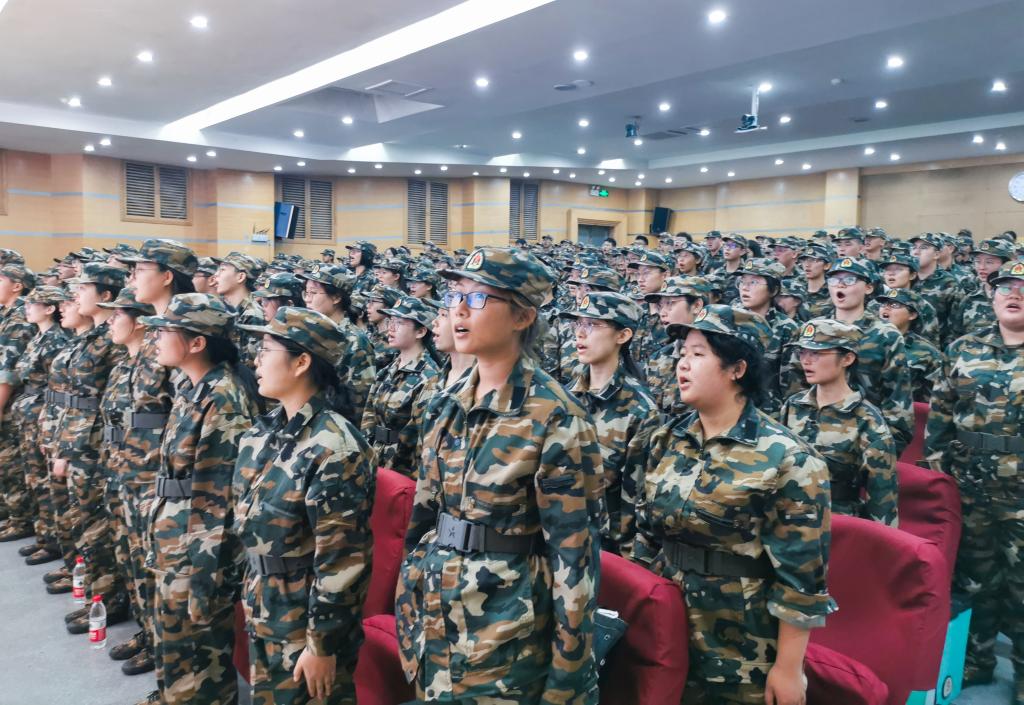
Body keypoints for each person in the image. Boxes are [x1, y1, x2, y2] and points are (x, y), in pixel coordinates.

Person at [396, 246, 603, 704]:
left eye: (478, 299)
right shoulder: (444, 403)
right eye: (455, 297)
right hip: (434, 620)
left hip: (504, 638)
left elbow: (574, 558)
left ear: (522, 317)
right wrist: (409, 597)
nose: (459, 310)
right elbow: (422, 520)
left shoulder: (556, 418)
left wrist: (568, 677)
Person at [633, 304, 834, 704]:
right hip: (664, 625)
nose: (682, 364)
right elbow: (645, 535)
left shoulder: (788, 458)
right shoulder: (666, 438)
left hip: (741, 644)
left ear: (737, 369)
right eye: (682, 354)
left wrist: (788, 668)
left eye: (698, 354)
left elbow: (801, 579)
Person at [234, 307, 374, 705]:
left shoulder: (334, 448)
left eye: (265, 350)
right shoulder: (264, 431)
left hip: (303, 624)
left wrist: (321, 646)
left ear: (301, 362)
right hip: (265, 605)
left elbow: (342, 561)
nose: (255, 361)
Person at [138, 293, 260, 705]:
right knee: (175, 642)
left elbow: (218, 498)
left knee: (196, 652)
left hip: (197, 550)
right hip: (175, 538)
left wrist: (204, 577)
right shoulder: (193, 386)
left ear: (197, 342)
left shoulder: (222, 398)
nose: (156, 339)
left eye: (166, 332)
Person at [925, 260, 1024, 705]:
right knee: (973, 580)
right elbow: (940, 417)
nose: (1013, 294)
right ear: (992, 295)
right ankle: (974, 660)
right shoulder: (964, 348)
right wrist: (940, 477)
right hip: (971, 490)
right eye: (1005, 287)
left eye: (1022, 287)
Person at [53, 263, 131, 635]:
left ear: (106, 295)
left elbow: (110, 403)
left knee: (99, 528)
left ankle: (108, 601)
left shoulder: (111, 341)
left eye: (84, 289)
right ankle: (95, 594)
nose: (76, 295)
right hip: (80, 441)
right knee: (86, 524)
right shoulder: (89, 336)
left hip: (98, 447)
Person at [562, 291, 659, 555]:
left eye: (592, 325)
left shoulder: (639, 411)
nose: (580, 333)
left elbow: (636, 503)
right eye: (578, 324)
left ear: (623, 335)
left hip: (603, 551)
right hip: (555, 539)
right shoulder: (564, 397)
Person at [782, 319, 898, 525]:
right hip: (786, 517)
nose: (805, 360)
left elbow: (882, 499)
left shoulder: (867, 419)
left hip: (836, 521)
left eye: (816, 353)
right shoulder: (794, 405)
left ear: (847, 358)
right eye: (802, 352)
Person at [817, 258, 914, 454]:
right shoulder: (815, 329)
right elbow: (796, 389)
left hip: (864, 438)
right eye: (834, 280)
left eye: (849, 280)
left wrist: (886, 449)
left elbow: (897, 399)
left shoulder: (885, 334)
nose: (840, 285)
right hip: (816, 434)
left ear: (868, 288)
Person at [38, 290, 95, 595]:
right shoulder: (77, 341)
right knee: (66, 508)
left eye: (71, 301)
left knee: (84, 515)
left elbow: (89, 404)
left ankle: (87, 576)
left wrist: (67, 448)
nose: (64, 308)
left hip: (84, 442)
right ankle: (74, 564)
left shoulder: (101, 344)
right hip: (63, 430)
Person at [10, 285, 69, 564]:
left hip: (42, 414)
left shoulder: (57, 340)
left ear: (49, 309)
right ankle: (42, 534)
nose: (27, 308)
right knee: (33, 477)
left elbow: (55, 385)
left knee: (45, 481)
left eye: (33, 304)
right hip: (29, 413)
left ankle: (52, 541)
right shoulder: (38, 337)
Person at [360, 296, 439, 476]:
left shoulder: (429, 377)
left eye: (400, 323)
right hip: (375, 459)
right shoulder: (387, 371)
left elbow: (422, 438)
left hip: (402, 467)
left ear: (420, 332)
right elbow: (369, 418)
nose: (391, 328)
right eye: (391, 321)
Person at [298, 264, 376, 426]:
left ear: (336, 298)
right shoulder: (309, 331)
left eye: (313, 293)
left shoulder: (354, 341)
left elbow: (360, 402)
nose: (307, 299)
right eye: (306, 292)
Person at [0, 263, 39, 543]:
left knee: (10, 461)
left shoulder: (19, 318)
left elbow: (8, 371)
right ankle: (10, 511)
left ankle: (20, 519)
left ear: (17, 285)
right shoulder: (7, 313)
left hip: (11, 401)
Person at [734, 258, 800, 413]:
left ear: (774, 290)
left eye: (754, 282)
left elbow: (792, 386)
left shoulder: (787, 328)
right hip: (728, 408)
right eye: (742, 282)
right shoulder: (728, 320)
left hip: (766, 413)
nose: (745, 288)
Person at [644, 276, 710, 414]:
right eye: (660, 306)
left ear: (696, 306)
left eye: (670, 303)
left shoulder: (715, 358)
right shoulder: (658, 358)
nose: (662, 313)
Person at [876, 288, 942, 402]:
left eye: (895, 305)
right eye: (884, 304)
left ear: (912, 315)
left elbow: (939, 394)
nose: (886, 308)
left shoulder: (927, 351)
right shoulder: (866, 341)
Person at [213, 252, 265, 368]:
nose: (216, 275)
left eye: (222, 270)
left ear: (240, 277)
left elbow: (250, 367)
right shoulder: (225, 308)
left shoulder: (252, 315)